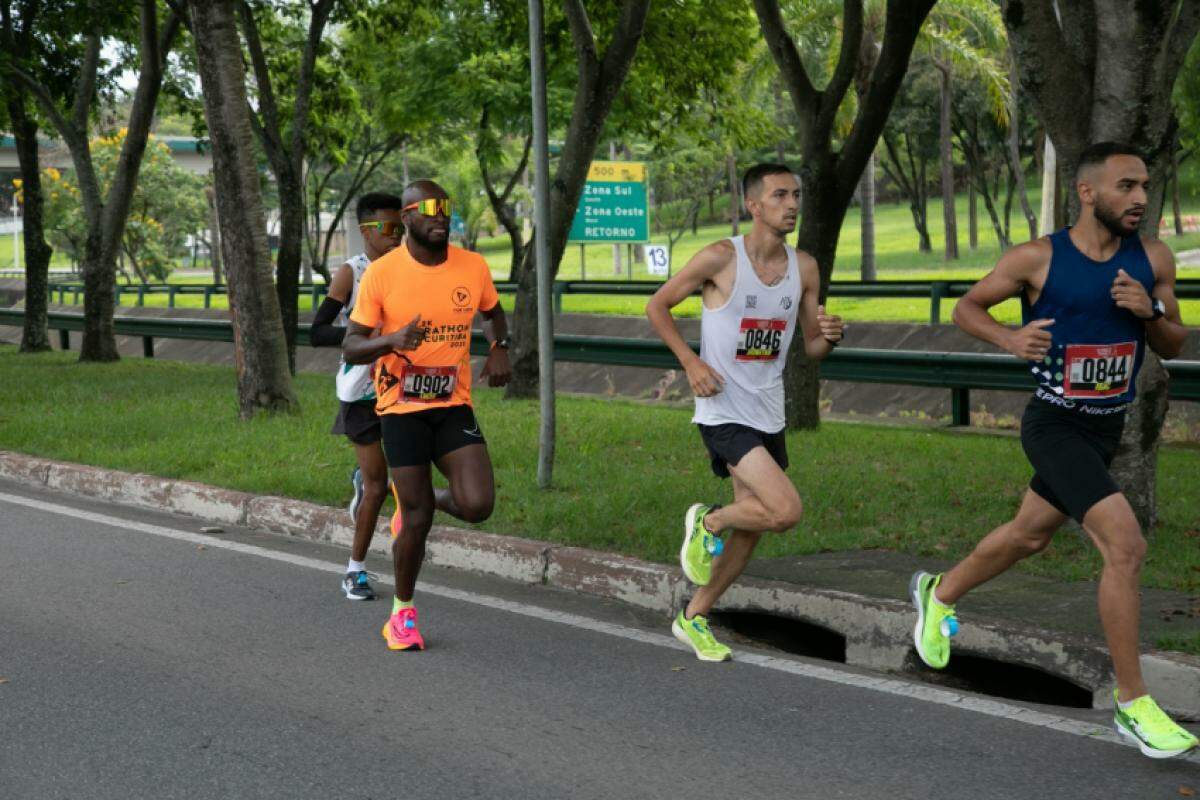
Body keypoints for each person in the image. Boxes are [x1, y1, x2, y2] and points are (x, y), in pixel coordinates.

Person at [910, 142, 1197, 759]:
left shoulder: (1153, 258)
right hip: (1053, 425)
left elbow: (1175, 343)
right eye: (1126, 186)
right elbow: (967, 307)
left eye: (1145, 185)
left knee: (1029, 535)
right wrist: (1010, 338)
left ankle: (938, 594)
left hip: (1106, 426)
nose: (1141, 198)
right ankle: (1133, 701)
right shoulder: (1038, 258)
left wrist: (1148, 313)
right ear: (1088, 193)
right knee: (1126, 546)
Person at [646, 163, 844, 662]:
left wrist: (831, 337)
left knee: (753, 528)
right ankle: (708, 522)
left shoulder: (806, 268)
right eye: (780, 196)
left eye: (797, 194)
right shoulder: (719, 258)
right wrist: (690, 362)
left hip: (768, 410)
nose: (792, 204)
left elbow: (812, 347)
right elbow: (658, 306)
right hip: (723, 409)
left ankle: (693, 617)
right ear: (754, 206)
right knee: (785, 510)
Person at [343, 180, 511, 651]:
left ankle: (417, 497)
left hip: (453, 403)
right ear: (409, 216)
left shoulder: (472, 266)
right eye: (432, 209)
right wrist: (390, 341)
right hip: (401, 408)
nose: (442, 217)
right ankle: (402, 614)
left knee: (477, 505)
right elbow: (352, 345)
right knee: (416, 520)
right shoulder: (383, 273)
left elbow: (494, 313)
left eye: (447, 209)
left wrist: (500, 347)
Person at [310, 192, 404, 601]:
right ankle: (355, 571)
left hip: (404, 388)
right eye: (388, 229)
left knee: (406, 482)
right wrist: (367, 338)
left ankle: (365, 485)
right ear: (366, 230)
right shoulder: (353, 272)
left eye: (401, 228)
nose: (397, 236)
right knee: (378, 487)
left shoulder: (411, 269)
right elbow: (317, 331)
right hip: (362, 390)